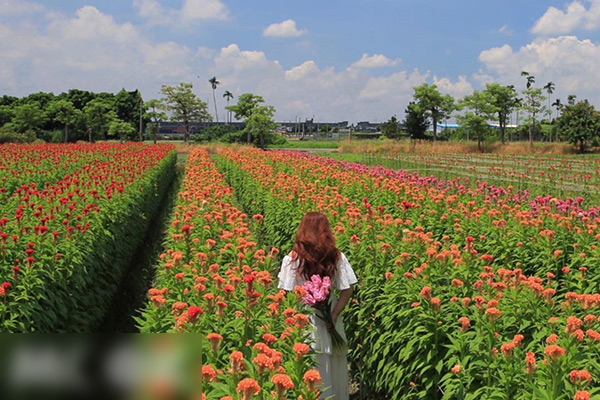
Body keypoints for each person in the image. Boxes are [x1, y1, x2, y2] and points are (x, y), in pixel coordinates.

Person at [277, 212, 358, 399]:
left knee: (309, 361)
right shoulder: (336, 256)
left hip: (303, 319)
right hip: (330, 316)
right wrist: (335, 313)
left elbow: (285, 293)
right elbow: (348, 288)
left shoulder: (292, 259)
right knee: (332, 362)